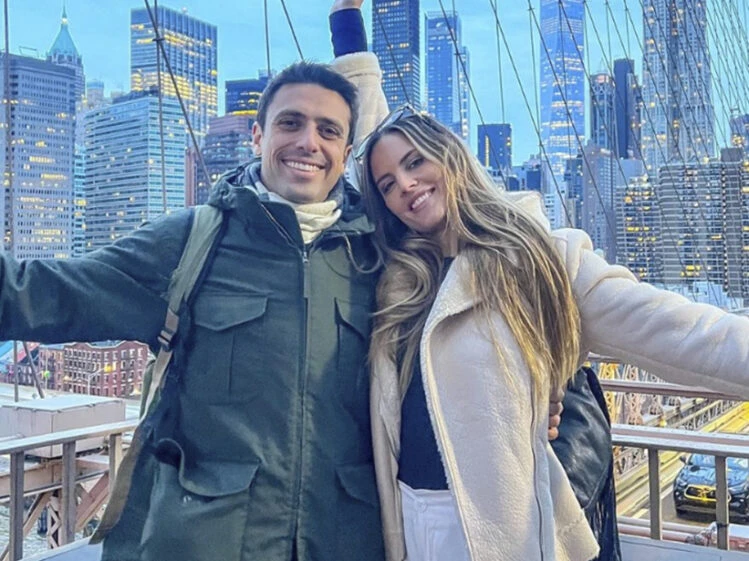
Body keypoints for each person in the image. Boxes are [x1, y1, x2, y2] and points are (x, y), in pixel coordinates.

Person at [0, 17, 390, 561]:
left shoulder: (377, 255)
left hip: (343, 541)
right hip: (210, 543)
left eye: (329, 131)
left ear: (347, 153)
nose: (309, 142)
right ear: (258, 137)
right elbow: (43, 293)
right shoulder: (193, 241)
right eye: (290, 123)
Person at [355, 106, 749, 561]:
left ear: (450, 156)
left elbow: (681, 331)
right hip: (411, 517)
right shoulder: (397, 283)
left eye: (415, 162)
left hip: (500, 529)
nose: (405, 185)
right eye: (387, 184)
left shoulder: (541, 261)